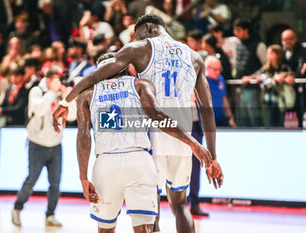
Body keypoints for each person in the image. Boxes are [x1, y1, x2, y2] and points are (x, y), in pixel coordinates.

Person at [53, 14, 223, 233]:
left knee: (152, 215)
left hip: (152, 140)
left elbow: (97, 75)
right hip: (184, 139)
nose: (136, 38)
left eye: (137, 33)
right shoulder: (196, 57)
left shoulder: (140, 48)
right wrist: (212, 156)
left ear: (150, 27)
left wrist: (66, 100)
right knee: (180, 206)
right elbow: (207, 110)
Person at [76, 52, 212, 233]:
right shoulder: (140, 85)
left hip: (105, 164)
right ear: (123, 66)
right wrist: (193, 143)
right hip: (139, 161)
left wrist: (83, 176)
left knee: (105, 229)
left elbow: (83, 136)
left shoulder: (86, 95)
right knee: (145, 229)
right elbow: (159, 118)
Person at [11, 65, 72, 227]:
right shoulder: (37, 91)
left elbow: (71, 117)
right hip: (37, 144)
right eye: (58, 79)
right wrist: (52, 93)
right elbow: (38, 110)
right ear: (49, 79)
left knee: (55, 184)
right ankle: (17, 209)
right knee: (31, 180)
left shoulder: (62, 92)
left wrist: (67, 98)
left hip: (56, 144)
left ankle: (50, 215)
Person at [233, 18, 266, 127]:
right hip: (240, 87)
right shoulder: (238, 45)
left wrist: (252, 77)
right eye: (235, 30)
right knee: (243, 119)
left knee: (254, 117)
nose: (235, 33)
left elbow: (266, 66)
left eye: (238, 30)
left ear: (246, 30)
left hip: (253, 87)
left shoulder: (259, 45)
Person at [205, 56, 236, 127]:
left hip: (221, 120)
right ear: (207, 68)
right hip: (206, 121)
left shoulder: (221, 79)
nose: (218, 72)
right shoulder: (201, 81)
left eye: (219, 69)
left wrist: (230, 118)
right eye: (215, 69)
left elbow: (224, 99)